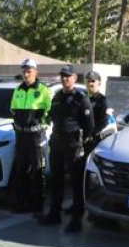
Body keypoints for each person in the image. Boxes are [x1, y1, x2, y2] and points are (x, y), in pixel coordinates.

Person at [39, 65, 94, 233]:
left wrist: (82, 143)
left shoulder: (80, 98)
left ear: (75, 78)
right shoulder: (56, 97)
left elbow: (89, 125)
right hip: (57, 141)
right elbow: (51, 117)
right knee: (56, 179)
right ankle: (54, 213)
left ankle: (76, 219)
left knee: (76, 181)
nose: (65, 79)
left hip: (72, 142)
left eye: (68, 76)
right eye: (63, 76)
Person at [9, 58, 52, 216]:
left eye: (29, 71)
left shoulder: (43, 89)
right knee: (21, 170)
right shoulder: (18, 90)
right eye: (24, 71)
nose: (26, 74)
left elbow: (50, 111)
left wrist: (41, 124)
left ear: (35, 72)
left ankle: (38, 205)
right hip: (21, 136)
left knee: (38, 171)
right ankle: (23, 203)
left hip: (36, 136)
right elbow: (12, 109)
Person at [84, 71, 108, 154]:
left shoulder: (102, 100)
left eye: (93, 81)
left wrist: (92, 134)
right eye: (88, 81)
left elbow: (104, 121)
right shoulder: (82, 98)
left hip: (92, 140)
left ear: (99, 83)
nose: (90, 83)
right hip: (79, 139)